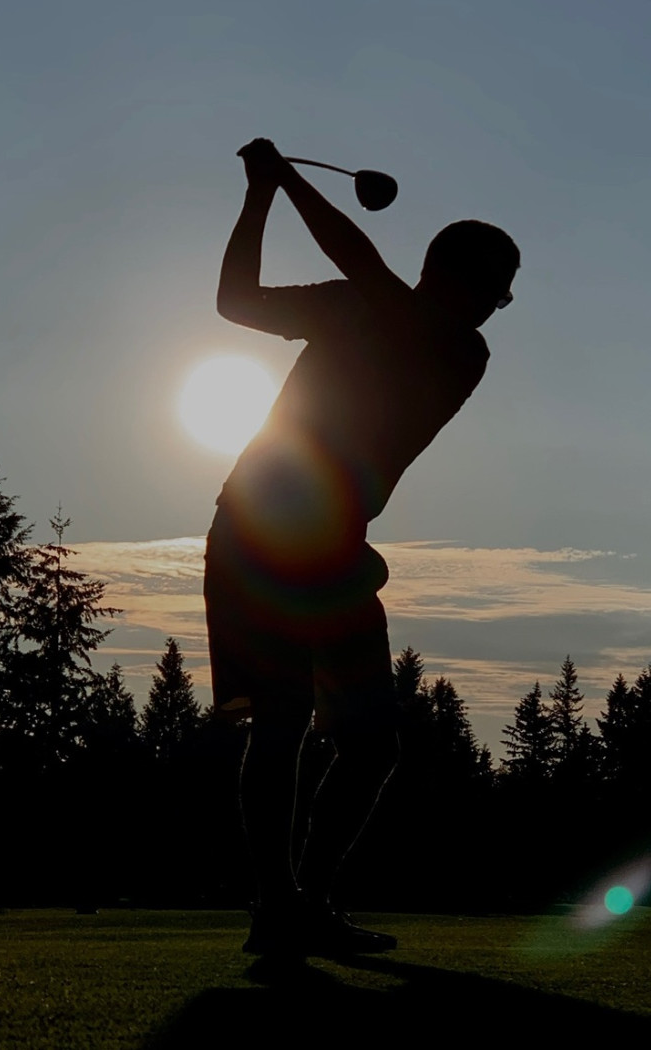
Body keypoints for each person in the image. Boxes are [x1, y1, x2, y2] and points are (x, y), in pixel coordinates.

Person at [207, 138, 518, 958]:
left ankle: (304, 903)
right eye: (496, 291)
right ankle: (280, 908)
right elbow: (235, 302)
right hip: (260, 535)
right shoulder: (360, 304)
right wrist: (261, 196)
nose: (499, 308)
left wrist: (280, 180)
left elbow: (362, 265)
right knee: (281, 723)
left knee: (370, 741)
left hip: (329, 550)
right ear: (457, 279)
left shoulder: (460, 351)